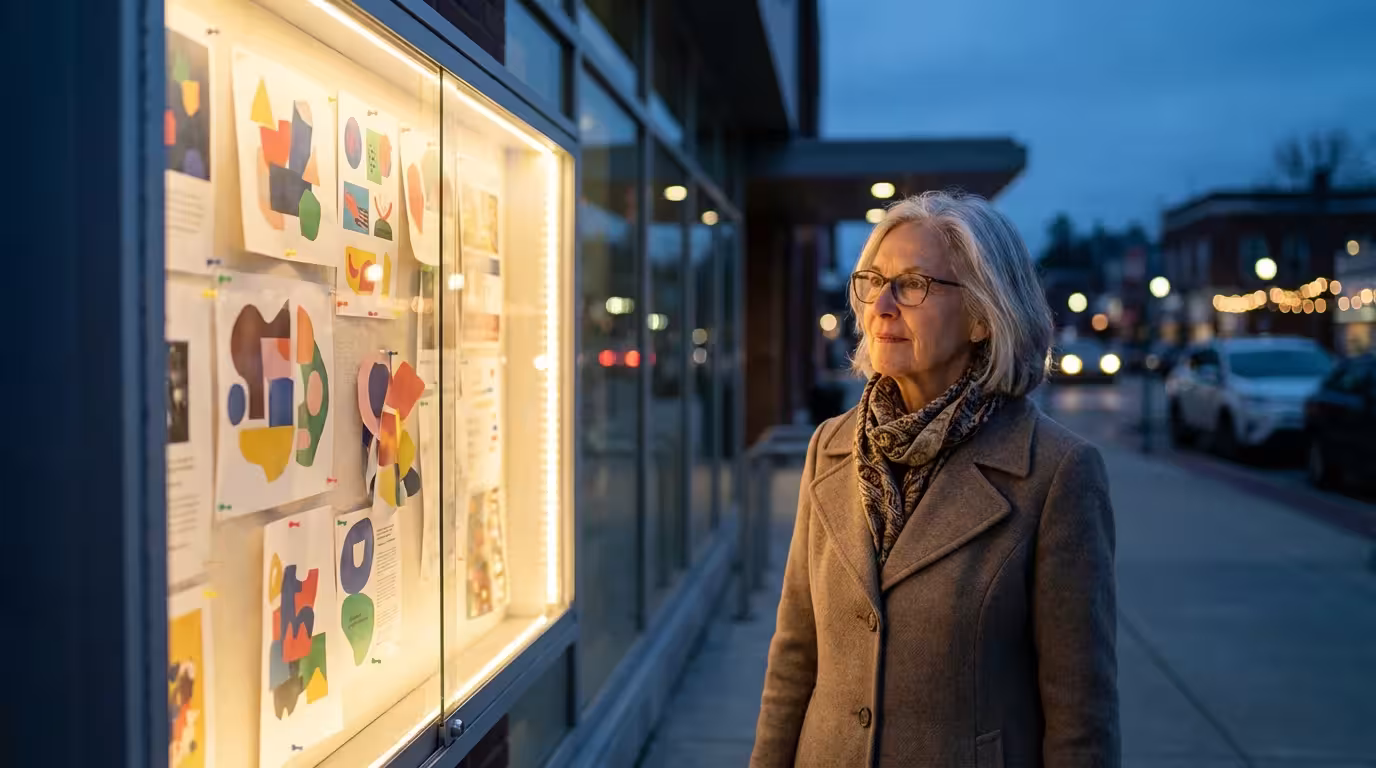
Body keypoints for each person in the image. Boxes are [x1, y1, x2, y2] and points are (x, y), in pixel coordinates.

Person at [751, 192, 1119, 767]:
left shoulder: (1056, 473)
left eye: (914, 284)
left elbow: (1080, 716)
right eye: (873, 281)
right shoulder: (831, 447)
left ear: (982, 314)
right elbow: (795, 657)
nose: (883, 306)